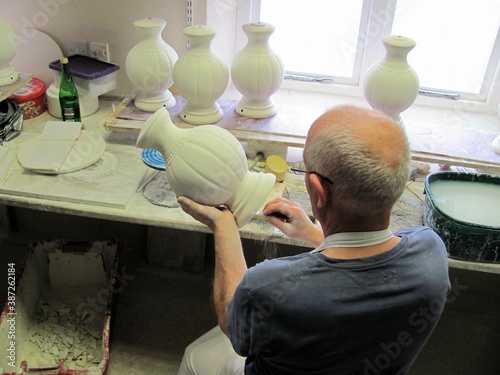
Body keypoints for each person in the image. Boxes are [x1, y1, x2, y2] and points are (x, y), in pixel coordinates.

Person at [176, 105, 451, 375]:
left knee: (196, 356)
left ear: (318, 192)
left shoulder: (269, 287)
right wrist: (313, 233)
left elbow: (231, 322)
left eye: (306, 169)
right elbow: (364, 259)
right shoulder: (432, 253)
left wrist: (224, 227)